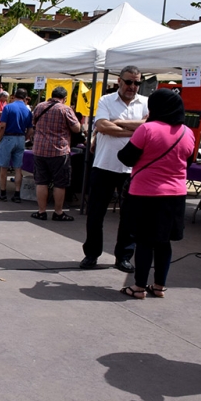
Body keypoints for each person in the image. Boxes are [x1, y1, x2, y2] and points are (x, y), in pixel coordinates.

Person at [116, 88, 195, 298]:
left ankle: (139, 287)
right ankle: (159, 286)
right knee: (164, 241)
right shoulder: (188, 132)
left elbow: (126, 158)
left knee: (144, 241)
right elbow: (188, 161)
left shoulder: (147, 129)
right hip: (176, 194)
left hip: (145, 194)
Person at [80, 66, 149, 273]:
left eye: (137, 83)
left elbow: (148, 127)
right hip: (104, 165)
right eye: (129, 82)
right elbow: (102, 126)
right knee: (95, 214)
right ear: (119, 81)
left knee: (130, 216)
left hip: (131, 169)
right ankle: (92, 254)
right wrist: (134, 130)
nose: (133, 87)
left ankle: (124, 257)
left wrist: (117, 123)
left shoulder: (145, 102)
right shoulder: (106, 100)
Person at [30, 86, 81, 222]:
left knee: (41, 181)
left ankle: (41, 211)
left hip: (40, 149)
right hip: (59, 150)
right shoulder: (65, 109)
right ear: (64, 98)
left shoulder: (39, 106)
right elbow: (77, 128)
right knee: (60, 183)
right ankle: (58, 212)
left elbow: (33, 123)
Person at [0, 88, 33, 203]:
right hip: (20, 137)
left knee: (4, 167)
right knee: (18, 167)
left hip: (7, 137)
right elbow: (30, 130)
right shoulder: (27, 110)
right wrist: (24, 138)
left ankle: (3, 192)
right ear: (25, 98)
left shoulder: (8, 107)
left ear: (14, 95)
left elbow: (2, 125)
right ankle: (17, 193)